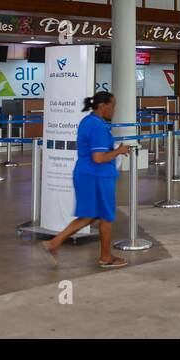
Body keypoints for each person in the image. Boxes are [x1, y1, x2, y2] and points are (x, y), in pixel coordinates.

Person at [42, 91, 131, 269]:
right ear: (103, 106)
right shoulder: (97, 126)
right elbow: (98, 158)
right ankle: (105, 258)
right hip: (96, 176)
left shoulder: (88, 121)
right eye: (112, 106)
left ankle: (53, 243)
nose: (113, 110)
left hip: (87, 174)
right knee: (105, 216)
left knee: (90, 215)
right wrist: (119, 151)